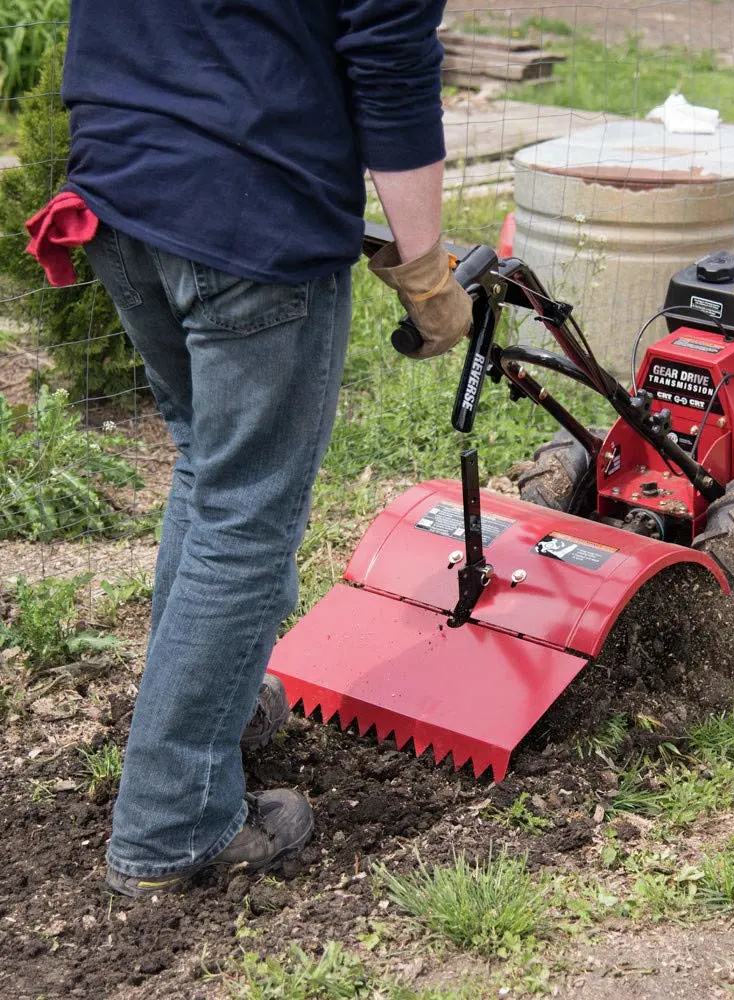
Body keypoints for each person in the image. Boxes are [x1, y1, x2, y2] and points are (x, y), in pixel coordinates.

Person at [58, 0, 472, 898]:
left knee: (212, 470)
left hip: (115, 187)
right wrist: (428, 268)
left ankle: (216, 712)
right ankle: (174, 828)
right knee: (246, 515)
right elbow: (393, 61)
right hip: (249, 212)